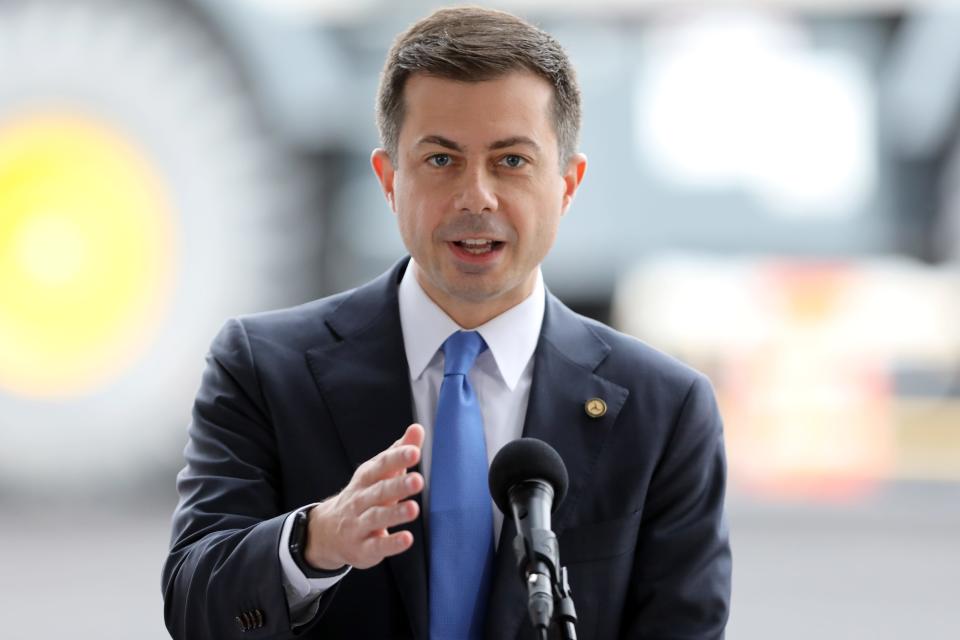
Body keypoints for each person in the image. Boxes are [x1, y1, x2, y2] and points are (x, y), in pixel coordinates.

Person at [162, 7, 731, 639]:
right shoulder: (263, 368)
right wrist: (315, 540)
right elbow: (193, 609)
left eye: (511, 161)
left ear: (568, 185)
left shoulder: (665, 410)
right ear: (388, 179)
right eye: (441, 160)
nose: (476, 196)